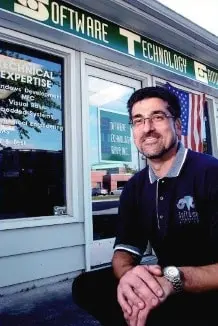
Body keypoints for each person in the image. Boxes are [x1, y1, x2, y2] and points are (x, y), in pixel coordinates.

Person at [72, 86, 218, 326]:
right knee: (87, 286)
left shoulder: (210, 173)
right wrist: (132, 279)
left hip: (206, 288)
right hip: (164, 282)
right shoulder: (135, 187)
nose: (147, 128)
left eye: (158, 117)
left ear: (179, 126)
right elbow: (124, 252)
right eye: (138, 120)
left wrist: (175, 279)